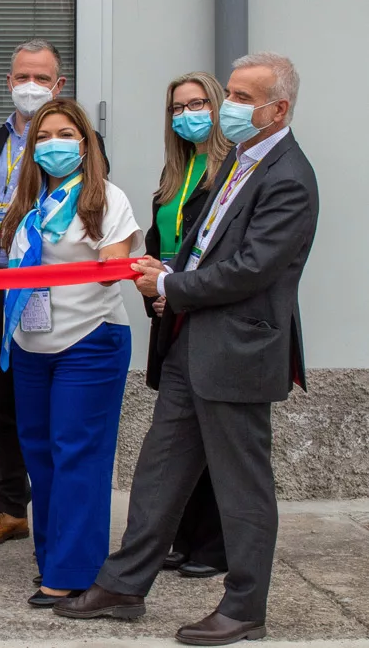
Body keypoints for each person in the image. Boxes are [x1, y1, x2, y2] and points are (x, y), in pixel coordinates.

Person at [56, 53, 319, 647]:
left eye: (243, 98)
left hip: (238, 352)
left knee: (242, 487)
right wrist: (168, 271)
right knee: (159, 470)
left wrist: (171, 286)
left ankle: (245, 607)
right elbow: (207, 247)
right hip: (191, 344)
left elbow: (251, 269)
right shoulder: (240, 161)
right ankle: (124, 585)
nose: (230, 106)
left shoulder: (289, 177)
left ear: (278, 109)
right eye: (231, 92)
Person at [0, 38, 109, 549]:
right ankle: (10, 508)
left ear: (58, 84)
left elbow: (95, 218)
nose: (31, 86)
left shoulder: (84, 143)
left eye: (41, 78)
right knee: (3, 407)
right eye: (22, 77)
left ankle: (57, 517)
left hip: (59, 298)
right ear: (9, 82)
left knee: (58, 417)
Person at [0, 97, 141, 608]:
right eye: (42, 136)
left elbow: (113, 265)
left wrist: (104, 263)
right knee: (39, 455)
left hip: (90, 341)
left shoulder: (107, 198)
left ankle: (74, 573)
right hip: (31, 343)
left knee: (78, 454)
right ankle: (53, 558)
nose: (52, 144)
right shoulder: (27, 203)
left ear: (84, 143)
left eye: (64, 135)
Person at [145, 72, 232, 580]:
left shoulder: (232, 171)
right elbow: (161, 240)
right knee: (179, 436)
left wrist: (175, 290)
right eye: (178, 108)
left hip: (207, 312)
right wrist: (157, 290)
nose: (187, 115)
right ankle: (183, 538)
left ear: (218, 107)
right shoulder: (175, 172)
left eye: (198, 104)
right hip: (170, 311)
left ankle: (214, 546)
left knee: (214, 434)